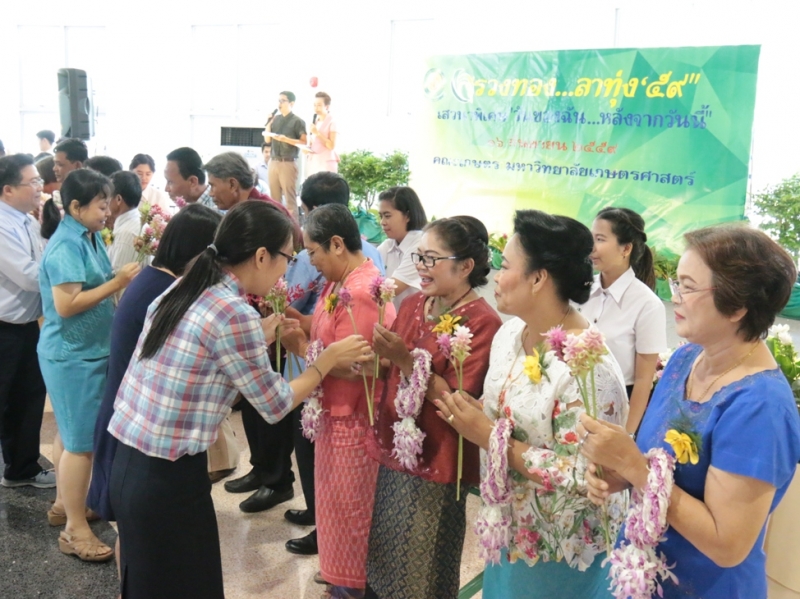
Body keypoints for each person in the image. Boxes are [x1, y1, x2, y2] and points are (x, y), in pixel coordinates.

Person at [107, 200, 372, 599]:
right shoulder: (233, 312)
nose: (287, 271)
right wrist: (327, 360)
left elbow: (204, 351)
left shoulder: (190, 285)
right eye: (288, 258)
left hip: (130, 465)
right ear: (262, 256)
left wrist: (260, 335)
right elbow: (275, 404)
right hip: (167, 480)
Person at [580, 225, 800, 599]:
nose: (675, 296)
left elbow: (727, 545)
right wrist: (620, 472)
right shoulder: (686, 359)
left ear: (738, 306)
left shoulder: (760, 407)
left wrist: (634, 467)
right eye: (676, 283)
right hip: (641, 573)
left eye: (687, 286)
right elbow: (662, 466)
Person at [435, 210, 629, 599]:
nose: (495, 276)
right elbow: (508, 411)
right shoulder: (510, 334)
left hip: (561, 547)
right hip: (509, 528)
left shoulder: (588, 368)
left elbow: (590, 475)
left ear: (538, 278)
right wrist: (475, 411)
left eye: (506, 266)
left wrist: (489, 436)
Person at [365, 216, 502, 599]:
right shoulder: (413, 303)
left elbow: (457, 402)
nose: (421, 267)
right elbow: (394, 367)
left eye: (431, 259)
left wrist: (403, 359)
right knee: (384, 556)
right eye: (419, 257)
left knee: (421, 567)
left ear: (466, 266)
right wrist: (372, 361)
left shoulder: (482, 323)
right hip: (396, 446)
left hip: (438, 459)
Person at [88, 205, 222, 575]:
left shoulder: (152, 278)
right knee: (137, 540)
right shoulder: (166, 291)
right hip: (133, 427)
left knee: (133, 535)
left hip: (123, 417)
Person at [281, 203, 395, 598]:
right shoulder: (341, 281)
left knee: (350, 511)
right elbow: (328, 333)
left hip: (355, 419)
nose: (310, 263)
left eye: (312, 252)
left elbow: (358, 365)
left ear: (336, 244)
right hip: (334, 414)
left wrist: (301, 347)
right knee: (336, 508)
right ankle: (342, 584)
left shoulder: (361, 292)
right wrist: (293, 320)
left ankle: (351, 589)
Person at [38, 169, 140, 561]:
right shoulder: (66, 244)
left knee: (70, 435)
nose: (107, 212)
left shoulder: (87, 235)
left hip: (86, 352)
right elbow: (66, 306)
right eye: (100, 205)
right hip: (72, 356)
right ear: (76, 207)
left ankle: (66, 504)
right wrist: (117, 283)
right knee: (81, 445)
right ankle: (74, 531)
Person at [577, 207, 666, 433]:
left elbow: (643, 381)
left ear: (626, 248)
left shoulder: (647, 305)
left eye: (600, 239)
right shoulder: (581, 291)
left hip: (614, 411)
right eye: (591, 238)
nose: (591, 247)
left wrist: (627, 434)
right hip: (572, 402)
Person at [0, 154, 55, 490]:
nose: (39, 187)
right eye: (32, 182)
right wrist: (69, 278)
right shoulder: (2, 226)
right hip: (4, 329)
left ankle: (21, 468)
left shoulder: (27, 221)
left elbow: (44, 258)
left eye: (39, 180)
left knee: (28, 397)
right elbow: (28, 275)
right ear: (8, 189)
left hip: (26, 326)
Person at [375, 186, 427, 310]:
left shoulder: (421, 244)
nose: (382, 222)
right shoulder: (387, 245)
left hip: (415, 318)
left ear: (408, 216)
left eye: (387, 216)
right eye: (381, 216)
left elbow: (392, 289)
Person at [264, 90, 306, 220]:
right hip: (274, 161)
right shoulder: (276, 119)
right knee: (274, 199)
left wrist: (286, 139)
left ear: (291, 103)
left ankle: (294, 229)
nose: (280, 103)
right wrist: (269, 123)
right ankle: (276, 226)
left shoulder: (298, 121)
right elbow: (267, 140)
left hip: (287, 161)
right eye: (279, 100)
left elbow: (304, 142)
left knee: (289, 199)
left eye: (283, 101)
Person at [107, 171, 143, 273]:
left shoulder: (126, 233)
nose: (105, 202)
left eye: (108, 197)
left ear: (118, 199)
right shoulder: (135, 222)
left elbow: (119, 278)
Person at [306, 92, 339, 178]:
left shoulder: (332, 122)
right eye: (314, 105)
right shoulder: (315, 121)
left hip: (326, 162)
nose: (316, 108)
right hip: (314, 161)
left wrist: (317, 133)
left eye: (319, 105)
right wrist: (307, 148)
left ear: (327, 107)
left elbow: (331, 146)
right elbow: (314, 141)